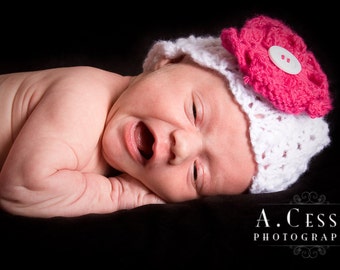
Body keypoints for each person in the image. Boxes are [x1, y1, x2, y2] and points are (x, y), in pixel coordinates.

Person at [0, 15, 333, 218]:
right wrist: (120, 194)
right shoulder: (84, 97)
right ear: (167, 63)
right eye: (194, 111)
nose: (182, 147)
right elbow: (24, 188)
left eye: (198, 174)